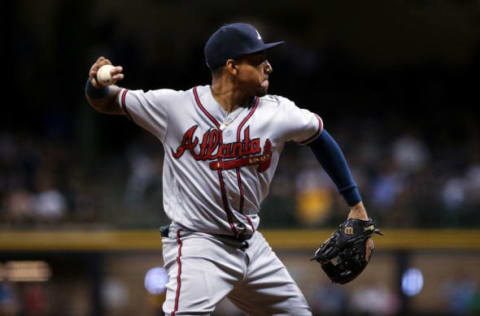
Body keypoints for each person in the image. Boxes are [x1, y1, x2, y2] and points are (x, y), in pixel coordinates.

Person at [85, 22, 370, 316]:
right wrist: (94, 83)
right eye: (258, 61)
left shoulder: (278, 112)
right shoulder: (175, 107)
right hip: (198, 246)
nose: (269, 67)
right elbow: (106, 101)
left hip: (251, 247)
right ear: (232, 66)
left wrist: (356, 204)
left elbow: (320, 138)